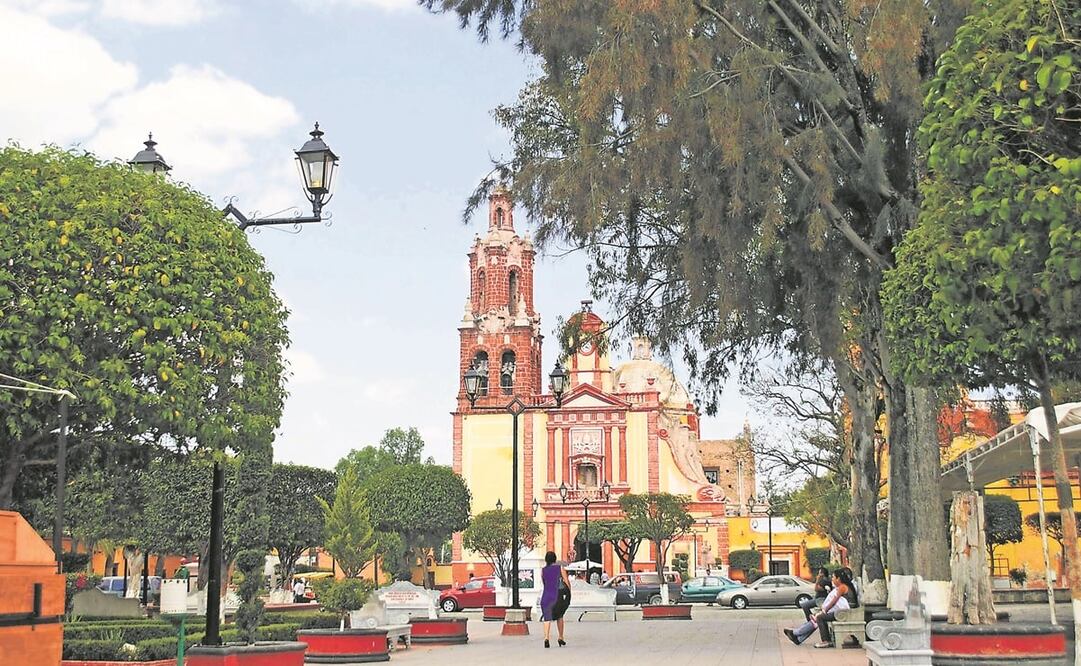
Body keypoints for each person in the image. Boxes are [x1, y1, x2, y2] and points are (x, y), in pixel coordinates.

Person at [784, 568, 852, 648]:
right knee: (816, 619)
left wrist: (824, 610)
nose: (832, 579)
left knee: (819, 618)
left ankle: (825, 641)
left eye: (833, 577)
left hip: (843, 613)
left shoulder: (842, 587)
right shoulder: (842, 587)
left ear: (839, 578)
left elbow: (834, 601)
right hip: (840, 612)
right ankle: (798, 638)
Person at [540, 551, 571, 649]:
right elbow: (566, 581)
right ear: (554, 559)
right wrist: (569, 591)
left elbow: (544, 582)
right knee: (559, 616)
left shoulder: (543, 570)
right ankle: (560, 637)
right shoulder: (559, 568)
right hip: (557, 595)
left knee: (547, 618)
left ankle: (546, 638)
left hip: (546, 595)